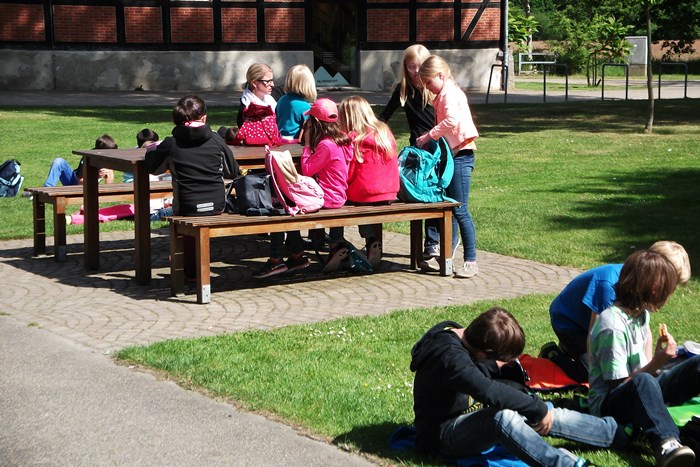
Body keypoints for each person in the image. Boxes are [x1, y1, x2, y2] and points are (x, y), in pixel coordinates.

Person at [411, 307, 629, 466]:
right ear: (482, 353)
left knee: (535, 407)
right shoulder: (450, 358)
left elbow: (484, 377)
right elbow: (488, 391)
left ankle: (615, 433)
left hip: (466, 419)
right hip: (441, 439)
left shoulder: (464, 337)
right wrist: (537, 409)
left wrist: (539, 409)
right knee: (503, 417)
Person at [588, 249, 699, 467]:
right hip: (609, 403)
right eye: (668, 290)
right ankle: (667, 444)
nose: (669, 296)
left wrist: (656, 360)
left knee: (696, 364)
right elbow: (620, 385)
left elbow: (644, 372)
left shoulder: (641, 315)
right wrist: (658, 363)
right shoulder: (612, 326)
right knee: (645, 381)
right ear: (654, 288)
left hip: (642, 388)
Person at [548, 241, 691, 382]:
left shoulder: (642, 288)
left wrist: (648, 369)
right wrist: (595, 376)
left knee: (625, 368)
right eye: (668, 286)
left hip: (603, 329)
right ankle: (554, 357)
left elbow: (645, 330)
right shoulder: (609, 285)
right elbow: (593, 336)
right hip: (569, 322)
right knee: (591, 373)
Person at [146, 95, 239, 278]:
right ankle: (192, 268)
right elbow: (232, 172)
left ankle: (189, 268)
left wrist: (151, 152)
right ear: (204, 117)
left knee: (185, 211)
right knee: (192, 213)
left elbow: (154, 168)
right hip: (216, 204)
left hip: (186, 205)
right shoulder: (216, 140)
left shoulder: (171, 143)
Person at [416, 55, 479, 279]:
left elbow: (451, 120)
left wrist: (428, 136)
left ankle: (471, 261)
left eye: (428, 82)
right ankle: (447, 257)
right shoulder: (445, 93)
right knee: (450, 207)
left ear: (440, 75)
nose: (427, 87)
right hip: (453, 156)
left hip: (462, 156)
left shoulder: (449, 94)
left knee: (460, 209)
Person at [378, 44, 440, 266]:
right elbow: (385, 115)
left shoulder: (434, 89)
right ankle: (423, 246)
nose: (415, 71)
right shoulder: (403, 89)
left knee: (434, 194)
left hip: (437, 148)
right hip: (417, 150)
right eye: (411, 66)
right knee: (418, 193)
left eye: (419, 66)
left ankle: (432, 242)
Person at [338, 95, 399, 267]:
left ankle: (342, 242)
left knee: (338, 202)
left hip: (365, 192)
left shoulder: (354, 138)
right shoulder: (384, 132)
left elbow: (349, 173)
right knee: (367, 204)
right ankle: (372, 241)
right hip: (389, 191)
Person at [67, 129, 173, 225]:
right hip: (151, 210)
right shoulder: (151, 162)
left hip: (145, 204)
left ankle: (83, 214)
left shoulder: (138, 154)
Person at [301, 98, 353, 273]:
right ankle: (336, 244)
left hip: (327, 198)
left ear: (315, 122)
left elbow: (307, 170)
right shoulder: (342, 140)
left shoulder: (326, 145)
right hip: (340, 195)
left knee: (287, 205)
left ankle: (295, 250)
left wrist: (307, 145)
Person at [41, 134, 116, 187]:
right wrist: (97, 177)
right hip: (74, 182)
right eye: (109, 153)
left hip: (89, 188)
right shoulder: (88, 158)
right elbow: (80, 181)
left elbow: (109, 183)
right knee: (59, 161)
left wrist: (106, 182)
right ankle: (47, 188)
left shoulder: (107, 160)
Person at [275, 64, 317, 141]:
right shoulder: (305, 106)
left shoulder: (282, 100)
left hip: (280, 139)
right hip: (295, 142)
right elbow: (310, 129)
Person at [236, 62, 282, 128]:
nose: (272, 84)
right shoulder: (246, 111)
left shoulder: (272, 96)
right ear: (254, 83)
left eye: (271, 80)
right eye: (267, 81)